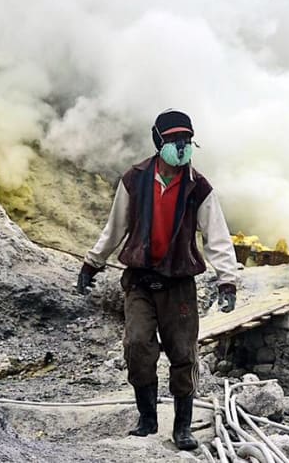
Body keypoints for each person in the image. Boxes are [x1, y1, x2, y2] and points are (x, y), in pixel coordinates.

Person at [76, 109, 239, 450]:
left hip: (178, 284)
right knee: (137, 345)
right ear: (158, 141)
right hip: (139, 280)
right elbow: (115, 227)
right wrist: (92, 263)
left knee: (183, 354)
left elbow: (217, 237)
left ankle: (182, 427)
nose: (181, 148)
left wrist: (228, 281)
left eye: (186, 141)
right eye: (174, 141)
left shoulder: (199, 187)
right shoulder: (134, 179)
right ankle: (147, 417)